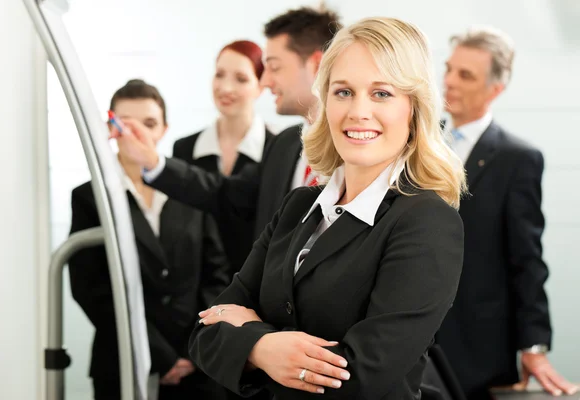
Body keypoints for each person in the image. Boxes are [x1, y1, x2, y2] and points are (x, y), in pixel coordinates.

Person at [187, 17, 466, 400]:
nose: (358, 111)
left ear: (414, 109)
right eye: (343, 92)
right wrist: (262, 349)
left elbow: (358, 379)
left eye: (382, 93)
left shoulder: (425, 222)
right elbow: (205, 333)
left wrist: (253, 343)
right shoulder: (299, 205)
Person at [112, 6, 342, 241]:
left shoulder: (356, 149)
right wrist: (151, 160)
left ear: (316, 65)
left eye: (274, 67)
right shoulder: (286, 145)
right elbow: (226, 195)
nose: (265, 80)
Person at [437, 26, 579, 399]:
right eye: (448, 68)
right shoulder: (417, 143)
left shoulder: (518, 159)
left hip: (476, 350)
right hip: (412, 341)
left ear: (495, 89)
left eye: (464, 74)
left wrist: (533, 346)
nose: (448, 81)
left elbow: (526, 260)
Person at [68, 79, 231, 400]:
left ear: (164, 129)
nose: (137, 133)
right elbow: (90, 289)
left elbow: (217, 275)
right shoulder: (90, 198)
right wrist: (160, 356)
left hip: (198, 362)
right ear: (111, 127)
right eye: (126, 124)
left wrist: (194, 347)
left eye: (150, 123)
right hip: (123, 359)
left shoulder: (188, 188)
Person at [173, 40, 274, 273]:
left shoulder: (275, 150)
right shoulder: (185, 149)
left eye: (241, 79)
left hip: (257, 285)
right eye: (219, 75)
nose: (226, 88)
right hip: (198, 288)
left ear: (260, 86)